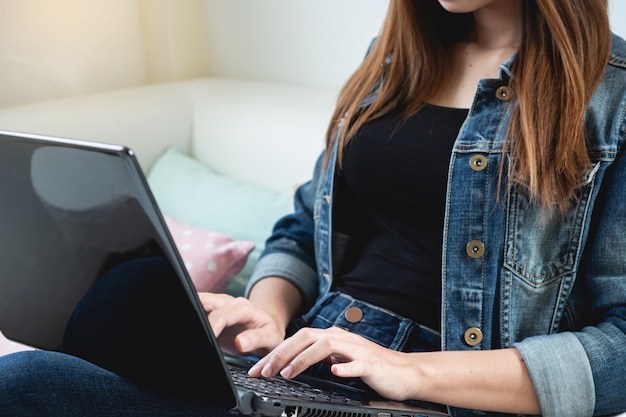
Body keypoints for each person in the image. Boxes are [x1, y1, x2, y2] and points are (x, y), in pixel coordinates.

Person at [1, 0, 625, 416]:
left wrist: (411, 371)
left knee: (26, 387)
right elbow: (306, 224)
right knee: (127, 291)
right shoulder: (394, 55)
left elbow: (621, 348)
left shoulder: (611, 95)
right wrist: (266, 311)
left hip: (424, 393)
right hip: (306, 356)